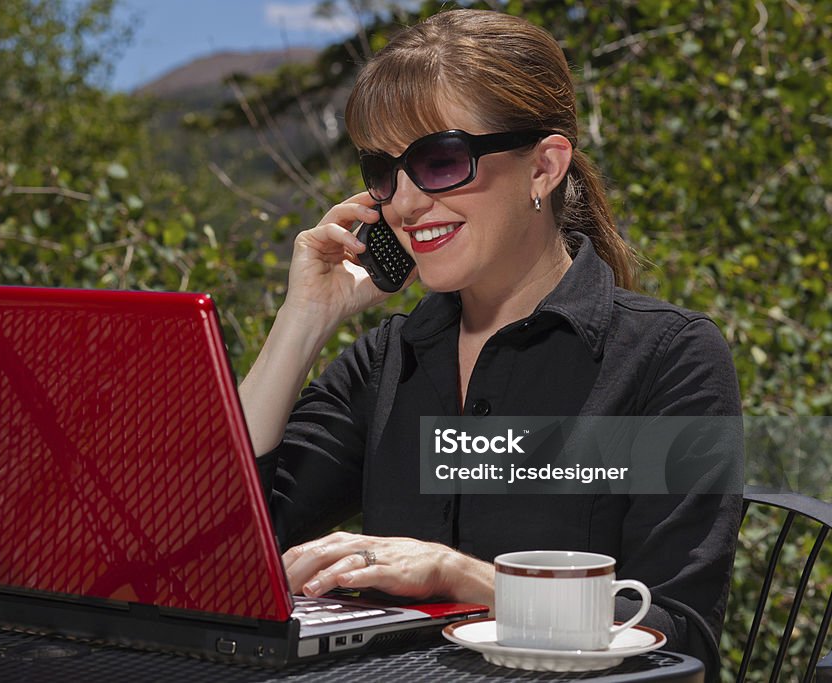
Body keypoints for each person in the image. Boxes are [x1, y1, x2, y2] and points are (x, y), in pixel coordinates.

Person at [237, 8, 741, 678]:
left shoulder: (667, 360)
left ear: (544, 168)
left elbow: (678, 639)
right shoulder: (389, 361)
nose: (406, 203)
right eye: (383, 172)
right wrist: (302, 320)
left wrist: (462, 577)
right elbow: (214, 548)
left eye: (440, 160)